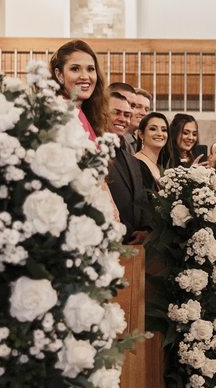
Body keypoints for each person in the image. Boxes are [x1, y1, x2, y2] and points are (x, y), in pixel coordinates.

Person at [104, 91, 151, 245]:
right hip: (108, 242)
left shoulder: (133, 160)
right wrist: (128, 232)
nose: (123, 119)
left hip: (135, 248)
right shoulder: (93, 153)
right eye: (116, 113)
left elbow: (143, 198)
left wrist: (146, 230)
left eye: (127, 115)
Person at [51, 40, 109, 144]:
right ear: (59, 74)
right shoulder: (61, 112)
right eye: (75, 69)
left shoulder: (87, 113)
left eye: (90, 69)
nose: (85, 77)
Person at [133, 112, 169, 184]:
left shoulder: (157, 165)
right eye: (153, 129)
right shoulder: (137, 164)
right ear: (141, 134)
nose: (159, 134)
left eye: (164, 130)